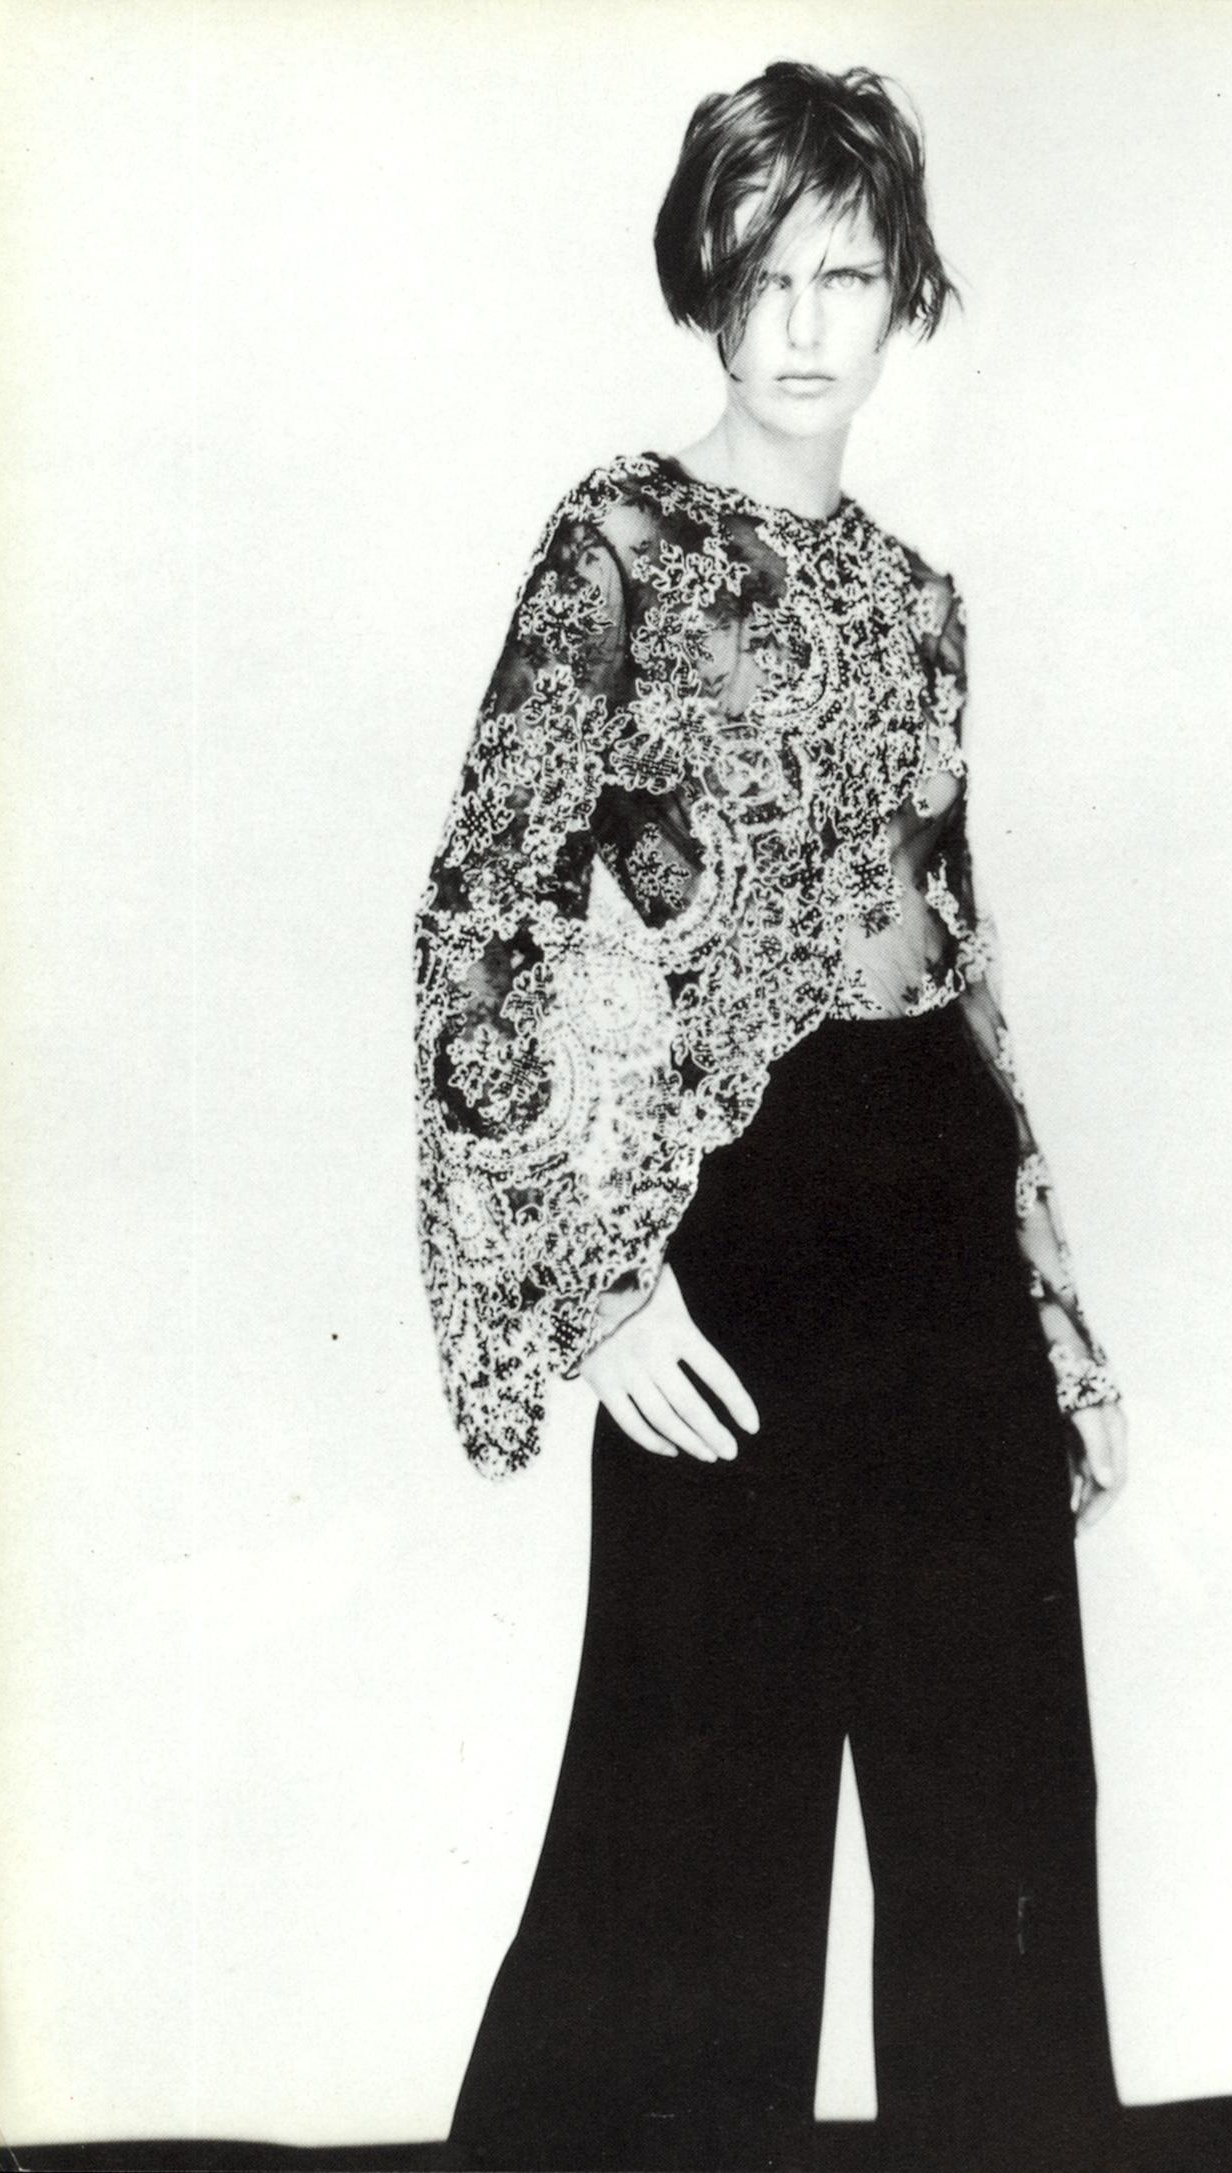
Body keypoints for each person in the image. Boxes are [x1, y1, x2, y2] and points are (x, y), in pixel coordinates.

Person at [414, 59, 1129, 2173]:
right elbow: (480, 913)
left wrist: (1053, 1317)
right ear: (704, 288)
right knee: (686, 1843)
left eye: (849, 275)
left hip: (935, 1223)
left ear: (907, 292)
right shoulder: (617, 543)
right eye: (764, 276)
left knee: (1001, 1817)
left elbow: (954, 955)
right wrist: (592, 1280)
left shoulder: (920, 604)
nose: (807, 325)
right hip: (732, 1229)